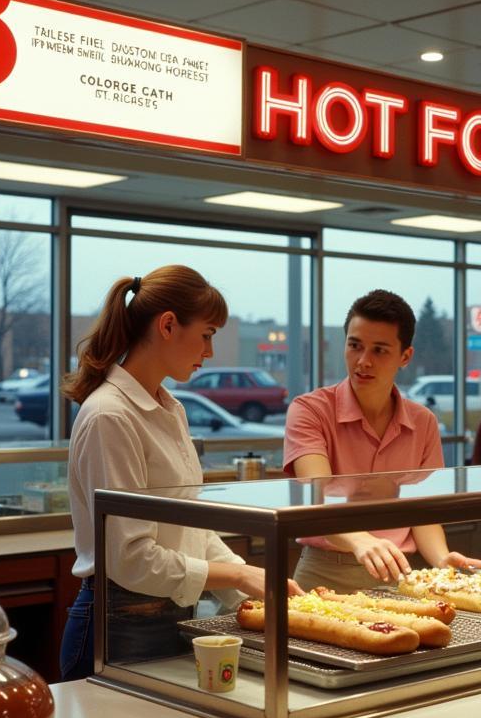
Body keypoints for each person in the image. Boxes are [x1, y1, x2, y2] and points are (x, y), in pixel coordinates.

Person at [59, 265, 301, 682]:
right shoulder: (110, 416)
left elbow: (193, 527)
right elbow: (130, 558)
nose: (208, 352)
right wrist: (240, 575)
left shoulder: (172, 409)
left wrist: (250, 588)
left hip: (173, 617)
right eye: (207, 335)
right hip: (119, 626)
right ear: (168, 325)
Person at [285, 289, 481, 591]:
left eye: (379, 350)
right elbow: (317, 496)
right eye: (355, 346)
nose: (363, 361)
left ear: (405, 356)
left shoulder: (423, 422)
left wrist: (441, 560)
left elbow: (422, 512)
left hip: (399, 574)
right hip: (324, 572)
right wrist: (361, 540)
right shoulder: (309, 409)